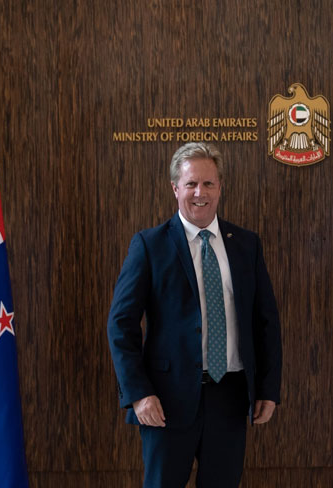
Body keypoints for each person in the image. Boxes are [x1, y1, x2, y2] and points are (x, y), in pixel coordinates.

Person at [107, 142, 282, 488]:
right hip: (165, 401)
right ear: (175, 188)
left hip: (230, 397)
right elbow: (121, 325)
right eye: (191, 184)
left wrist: (268, 389)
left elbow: (266, 322)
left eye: (208, 183)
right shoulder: (149, 245)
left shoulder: (246, 244)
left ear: (220, 187)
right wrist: (138, 393)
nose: (200, 193)